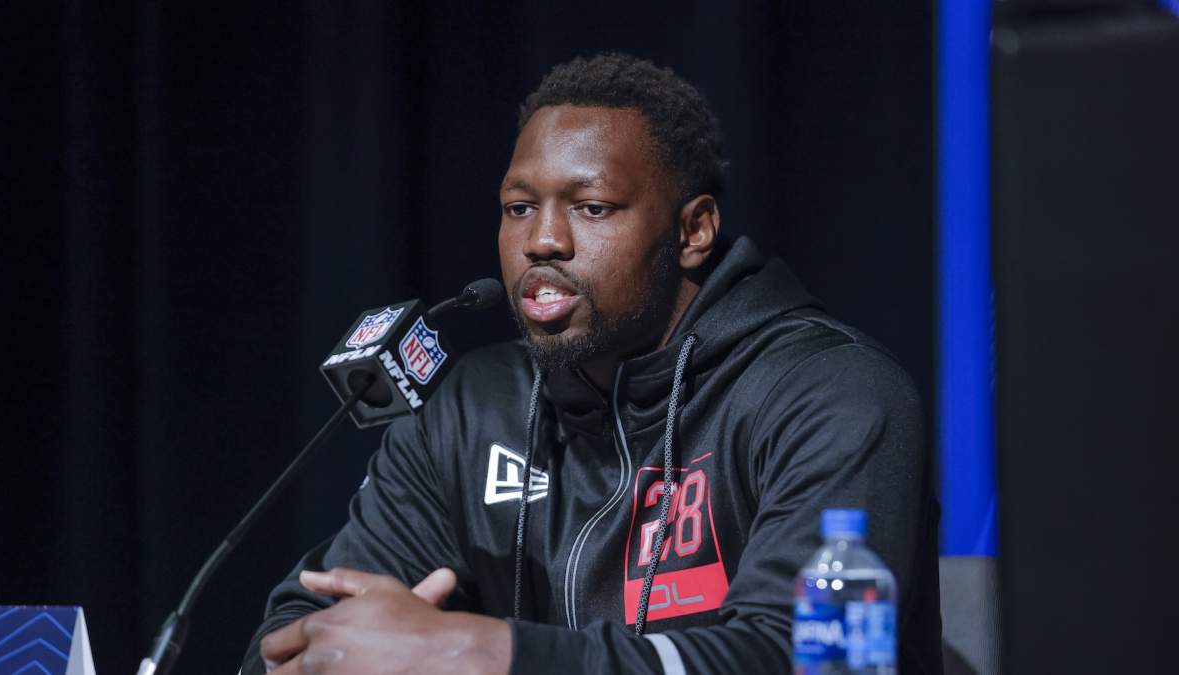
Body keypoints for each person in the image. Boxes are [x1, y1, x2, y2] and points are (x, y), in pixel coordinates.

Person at [241, 53, 942, 675]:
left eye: (593, 207)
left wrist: (486, 653)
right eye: (519, 208)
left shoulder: (830, 392)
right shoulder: (471, 412)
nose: (542, 240)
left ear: (694, 230)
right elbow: (292, 630)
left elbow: (803, 657)